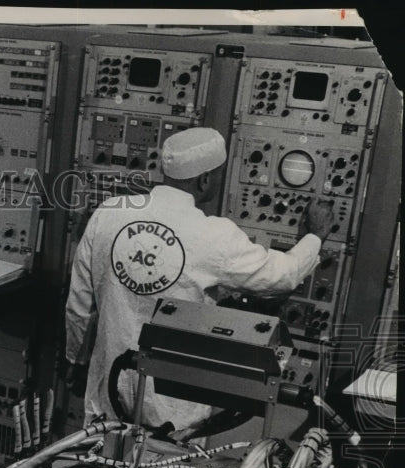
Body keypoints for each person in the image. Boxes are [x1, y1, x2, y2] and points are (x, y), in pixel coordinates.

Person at [65, 127, 337, 436]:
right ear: (205, 179)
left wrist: (76, 359)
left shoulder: (108, 213)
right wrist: (315, 235)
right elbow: (282, 275)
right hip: (170, 405)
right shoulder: (213, 235)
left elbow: (79, 304)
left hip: (107, 389)